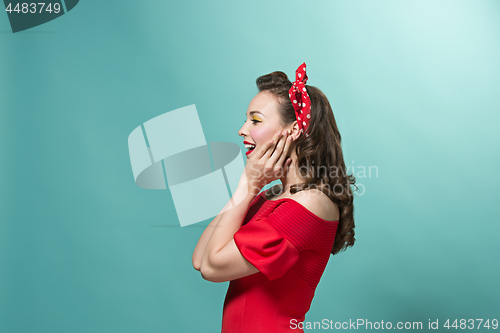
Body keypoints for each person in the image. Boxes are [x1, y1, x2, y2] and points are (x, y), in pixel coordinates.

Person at [192, 62, 356, 333]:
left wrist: (248, 181)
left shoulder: (312, 204)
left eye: (255, 120)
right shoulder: (270, 195)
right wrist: (250, 187)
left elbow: (212, 268)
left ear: (292, 131)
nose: (242, 130)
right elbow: (200, 259)